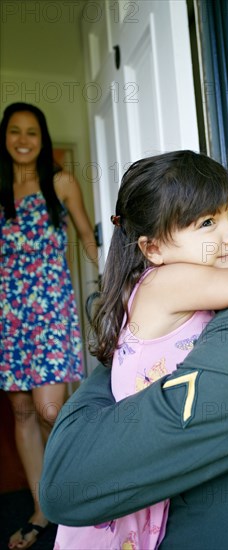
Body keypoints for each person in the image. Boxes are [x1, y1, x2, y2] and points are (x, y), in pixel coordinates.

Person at [40, 149, 228, 550]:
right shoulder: (191, 290)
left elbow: (67, 481)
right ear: (152, 247)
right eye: (206, 220)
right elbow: (66, 485)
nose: (226, 233)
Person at [0, 102, 98, 549]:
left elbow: (85, 237)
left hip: (52, 313)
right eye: (15, 131)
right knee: (22, 413)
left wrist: (124, 283)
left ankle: (74, 498)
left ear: (42, 139)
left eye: (32, 132)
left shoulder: (60, 182)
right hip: (9, 316)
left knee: (49, 412)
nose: (23, 140)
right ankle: (42, 511)